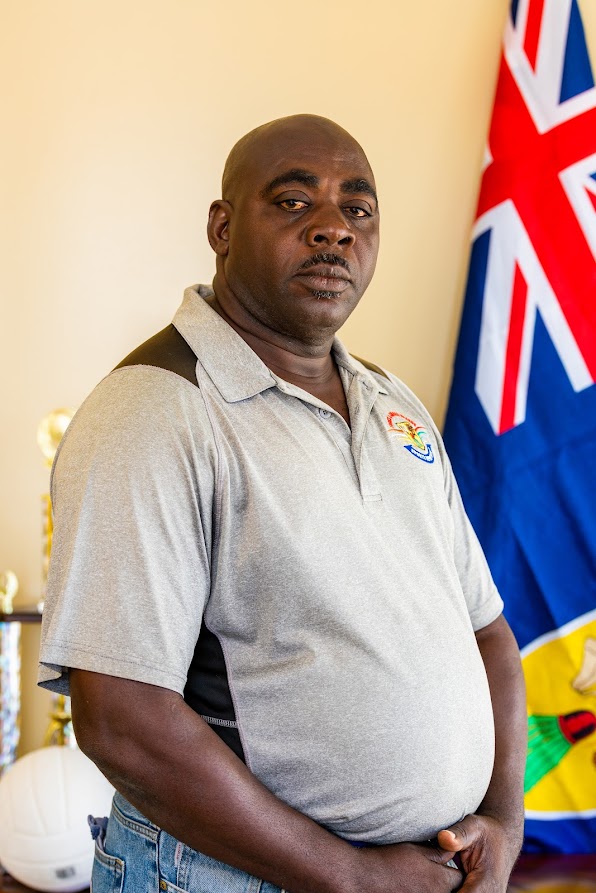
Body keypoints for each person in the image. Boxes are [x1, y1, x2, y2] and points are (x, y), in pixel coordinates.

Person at [38, 114, 527, 893]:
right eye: (294, 202)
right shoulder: (155, 410)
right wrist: (351, 875)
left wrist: (504, 820)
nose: (334, 228)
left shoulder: (392, 403)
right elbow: (122, 720)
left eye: (357, 208)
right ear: (222, 228)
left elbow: (488, 632)